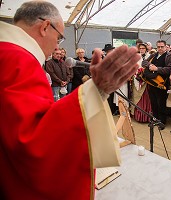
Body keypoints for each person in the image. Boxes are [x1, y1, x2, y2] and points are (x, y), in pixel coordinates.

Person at [0, 1, 140, 199]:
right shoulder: (18, 59)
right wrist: (96, 91)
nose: (58, 45)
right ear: (45, 27)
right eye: (59, 37)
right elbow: (34, 143)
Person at [142, 40, 171, 125]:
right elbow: (144, 62)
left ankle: (162, 122)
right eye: (158, 47)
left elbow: (170, 69)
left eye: (162, 46)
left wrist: (157, 69)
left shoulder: (169, 56)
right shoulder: (153, 55)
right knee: (153, 102)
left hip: (162, 84)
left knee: (161, 103)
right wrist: (150, 65)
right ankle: (155, 119)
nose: (160, 48)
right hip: (151, 83)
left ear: (165, 47)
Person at [131, 43, 152, 122]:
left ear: (146, 49)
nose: (142, 50)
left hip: (146, 82)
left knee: (146, 100)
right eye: (140, 48)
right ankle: (138, 116)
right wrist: (136, 74)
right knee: (137, 99)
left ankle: (146, 117)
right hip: (137, 80)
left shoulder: (149, 56)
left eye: (143, 48)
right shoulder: (136, 57)